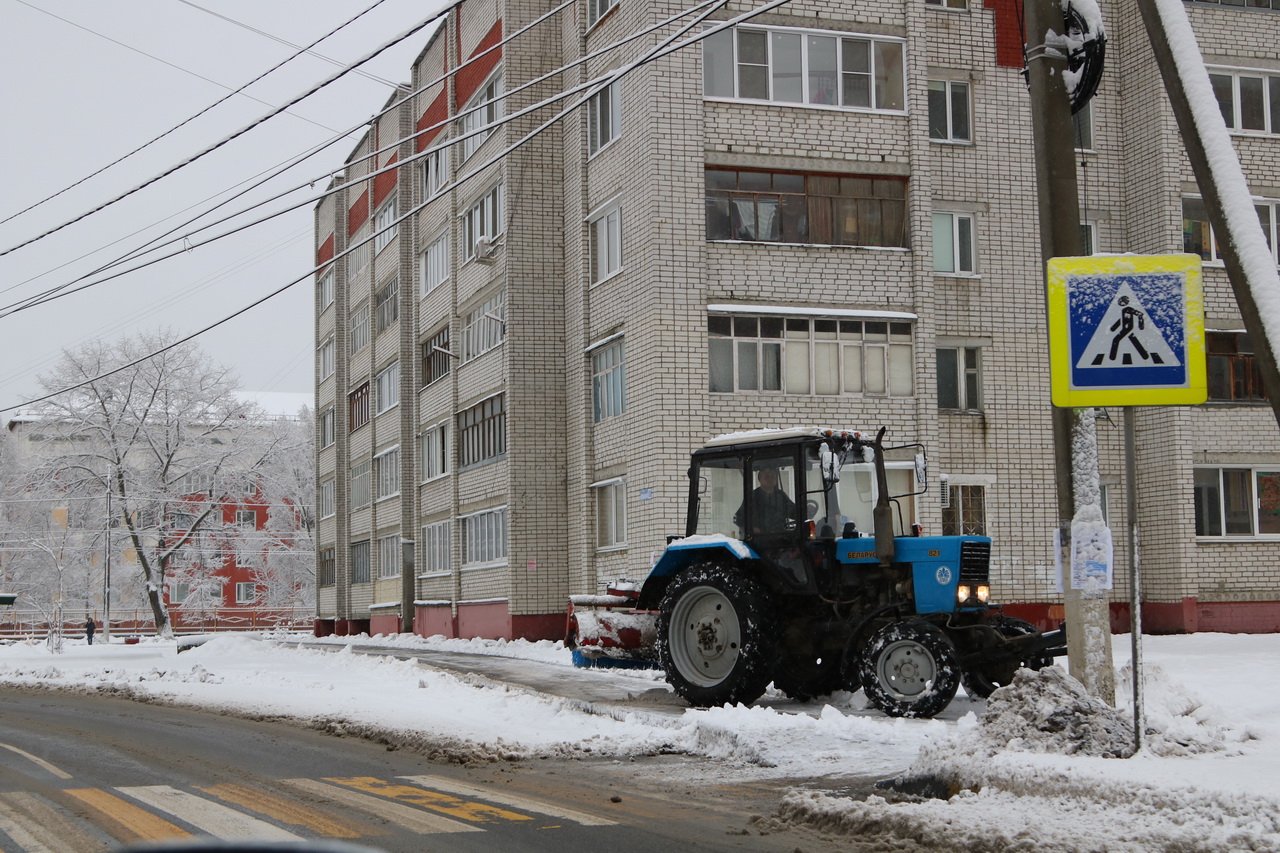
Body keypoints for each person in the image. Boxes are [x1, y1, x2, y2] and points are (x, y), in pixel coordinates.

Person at [734, 467, 796, 537]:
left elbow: (793, 512)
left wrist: (806, 511)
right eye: (767, 477)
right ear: (760, 479)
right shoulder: (752, 497)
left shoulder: (781, 496)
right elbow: (738, 518)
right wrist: (752, 528)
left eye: (772, 476)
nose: (770, 479)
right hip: (759, 540)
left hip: (780, 538)